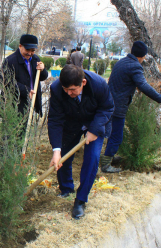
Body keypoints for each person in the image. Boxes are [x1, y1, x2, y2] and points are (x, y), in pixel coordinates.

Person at [47, 64, 114, 219]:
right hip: (71, 123)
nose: (69, 93)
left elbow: (107, 108)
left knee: (92, 159)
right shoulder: (57, 88)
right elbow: (55, 119)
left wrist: (94, 130)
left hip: (95, 122)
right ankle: (66, 189)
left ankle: (80, 200)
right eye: (66, 89)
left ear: (83, 83)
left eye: (73, 90)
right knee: (63, 155)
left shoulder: (98, 84)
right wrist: (56, 150)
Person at [99, 41, 161, 172]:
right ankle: (106, 164)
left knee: (112, 132)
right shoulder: (135, 66)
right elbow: (143, 86)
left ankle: (109, 157)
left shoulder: (122, 61)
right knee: (116, 135)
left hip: (109, 102)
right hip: (118, 106)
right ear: (142, 57)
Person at [1, 34, 48, 117]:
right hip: (15, 104)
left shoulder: (35, 59)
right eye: (27, 49)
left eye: (33, 50)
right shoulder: (10, 61)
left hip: (31, 102)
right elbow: (6, 82)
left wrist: (43, 70)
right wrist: (26, 91)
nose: (29, 53)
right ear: (20, 46)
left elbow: (42, 77)